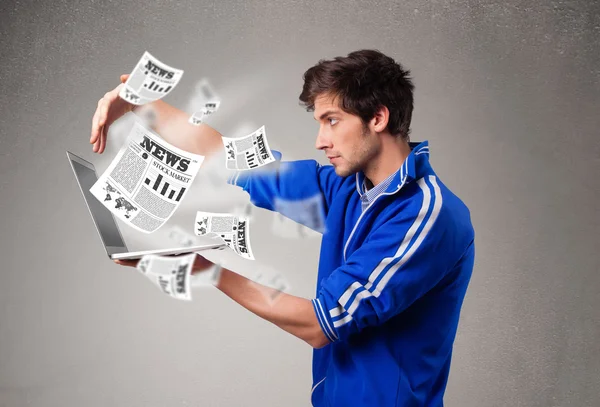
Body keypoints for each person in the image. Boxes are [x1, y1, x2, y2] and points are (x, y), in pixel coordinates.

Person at [90, 49, 475, 407]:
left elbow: (320, 324)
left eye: (332, 121)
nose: (320, 141)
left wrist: (204, 267)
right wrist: (142, 105)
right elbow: (231, 159)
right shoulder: (347, 187)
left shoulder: (428, 216)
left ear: (378, 117)